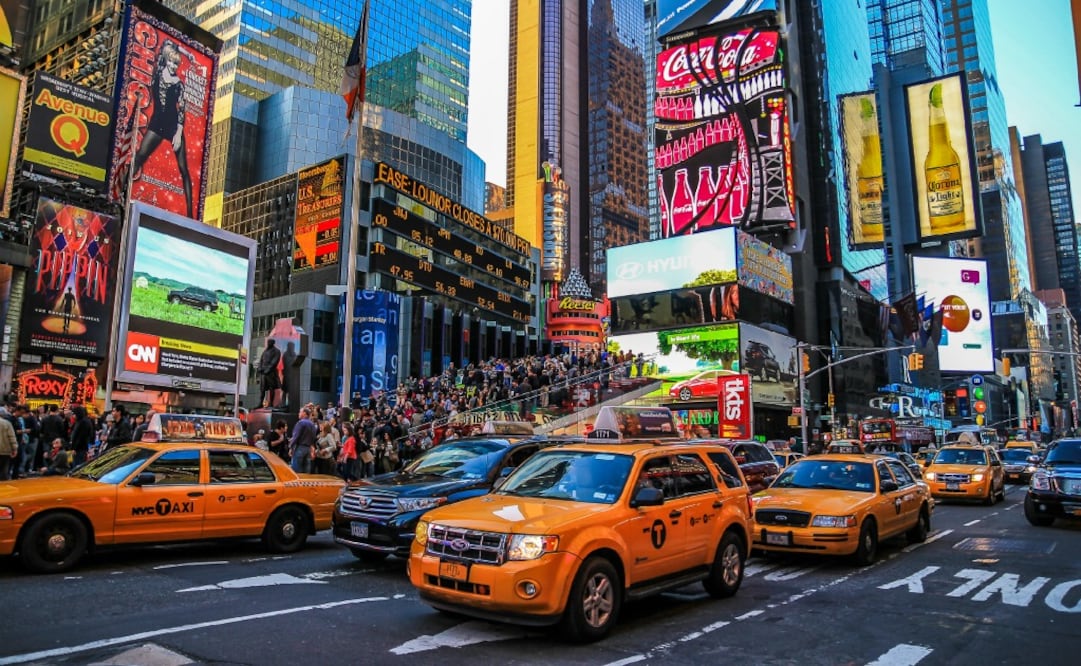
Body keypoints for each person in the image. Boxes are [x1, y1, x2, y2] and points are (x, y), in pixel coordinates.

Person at [132, 41, 194, 217]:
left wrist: (179, 133)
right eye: (172, 62)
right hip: (157, 123)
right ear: (166, 60)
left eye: (176, 64)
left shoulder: (179, 84)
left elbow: (181, 110)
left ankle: (191, 215)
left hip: (174, 126)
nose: (174, 66)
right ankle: (120, 192)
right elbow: (167, 43)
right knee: (140, 157)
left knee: (184, 169)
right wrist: (187, 53)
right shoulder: (158, 73)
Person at [288, 407, 317, 474]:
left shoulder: (301, 423)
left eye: (300, 412)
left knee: (296, 470)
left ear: (304, 413)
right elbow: (313, 437)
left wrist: (291, 447)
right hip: (308, 449)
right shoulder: (312, 424)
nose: (298, 413)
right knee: (306, 470)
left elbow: (296, 436)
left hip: (300, 448)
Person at [257, 339, 282, 408]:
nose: (268, 343)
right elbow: (261, 360)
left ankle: (271, 403)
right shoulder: (265, 351)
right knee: (262, 389)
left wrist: (268, 369)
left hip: (271, 373)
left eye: (270, 342)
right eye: (268, 342)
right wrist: (260, 368)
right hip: (263, 373)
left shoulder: (276, 351)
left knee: (271, 388)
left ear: (273, 343)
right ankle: (260, 403)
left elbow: (275, 361)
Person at [0, 407, 16, 480]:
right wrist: (14, 448)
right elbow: (11, 437)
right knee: (4, 470)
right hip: (5, 450)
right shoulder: (7, 423)